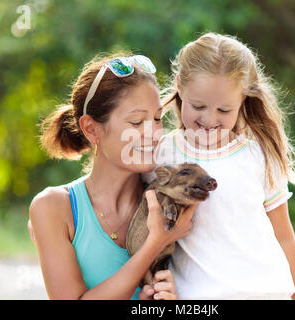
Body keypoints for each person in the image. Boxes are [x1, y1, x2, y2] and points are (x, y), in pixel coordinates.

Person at [145, 33, 295, 299]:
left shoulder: (258, 154)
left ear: (243, 100)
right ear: (179, 87)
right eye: (198, 106)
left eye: (224, 111)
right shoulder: (161, 155)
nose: (209, 119)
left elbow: (284, 238)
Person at [28, 53, 197, 300]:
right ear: (91, 129)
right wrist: (155, 243)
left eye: (157, 118)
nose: (154, 133)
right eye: (137, 121)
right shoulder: (53, 207)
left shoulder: (168, 204)